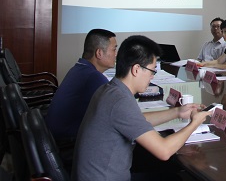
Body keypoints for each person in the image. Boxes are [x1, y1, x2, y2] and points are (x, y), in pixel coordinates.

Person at [72, 35, 211, 181]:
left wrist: (177, 112)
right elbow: (164, 151)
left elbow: (138, 119)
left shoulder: (110, 90)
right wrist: (195, 122)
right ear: (136, 69)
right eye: (152, 71)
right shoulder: (120, 101)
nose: (152, 77)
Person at [45, 29, 118, 144]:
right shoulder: (94, 77)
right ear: (99, 53)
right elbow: (119, 110)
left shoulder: (80, 68)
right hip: (68, 141)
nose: (116, 54)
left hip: (53, 134)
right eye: (114, 49)